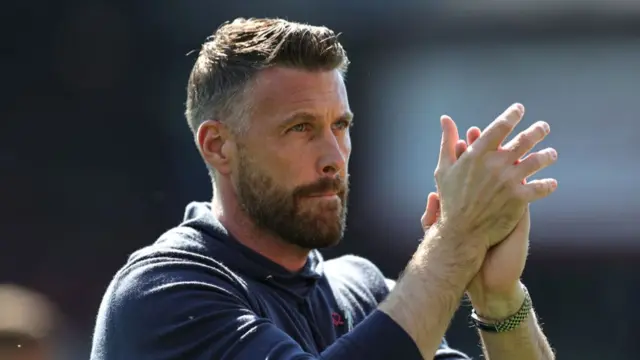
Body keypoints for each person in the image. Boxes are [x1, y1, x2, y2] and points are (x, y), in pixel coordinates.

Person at [90, 17, 558, 360]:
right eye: (300, 128)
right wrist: (456, 239)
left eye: (341, 125)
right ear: (218, 146)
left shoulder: (364, 290)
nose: (334, 156)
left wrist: (500, 300)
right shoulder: (165, 291)